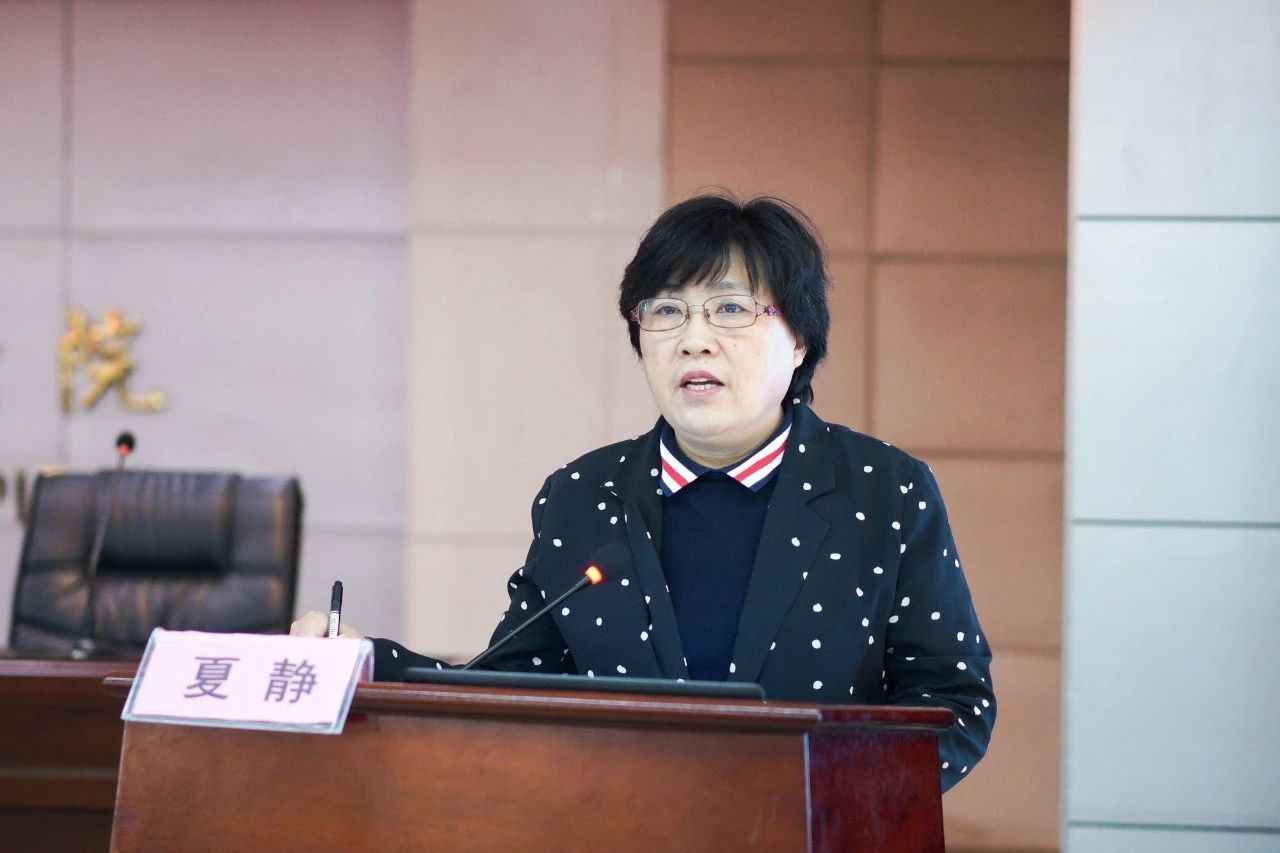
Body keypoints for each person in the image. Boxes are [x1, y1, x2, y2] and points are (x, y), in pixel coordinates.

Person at [293, 194, 995, 791]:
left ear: (800, 340)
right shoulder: (583, 496)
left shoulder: (884, 491)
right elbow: (510, 689)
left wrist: (825, 802)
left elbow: (952, 702)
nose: (694, 340)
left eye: (729, 308)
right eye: (666, 311)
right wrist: (369, 664)